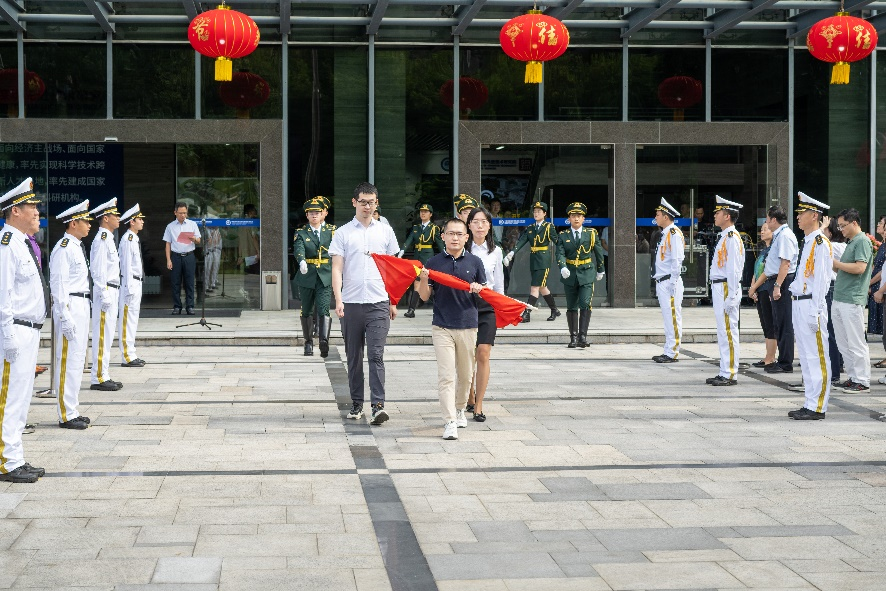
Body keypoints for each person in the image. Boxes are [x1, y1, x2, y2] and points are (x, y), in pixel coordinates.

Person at [329, 182, 400, 425]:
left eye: (371, 202)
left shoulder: (386, 232)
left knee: (376, 355)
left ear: (376, 203)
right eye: (363, 202)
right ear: (354, 202)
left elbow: (393, 269)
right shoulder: (343, 233)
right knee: (354, 356)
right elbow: (337, 269)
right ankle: (357, 403)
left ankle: (378, 406)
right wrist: (338, 299)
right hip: (351, 303)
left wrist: (393, 301)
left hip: (379, 302)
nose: (367, 206)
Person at [417, 218, 487, 440]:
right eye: (451, 234)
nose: (455, 238)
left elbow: (485, 294)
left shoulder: (475, 262)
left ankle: (459, 409)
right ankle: (449, 421)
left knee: (466, 376)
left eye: (459, 234)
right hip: (442, 326)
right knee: (446, 376)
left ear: (466, 237)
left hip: (468, 325)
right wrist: (423, 280)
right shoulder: (433, 262)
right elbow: (424, 296)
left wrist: (478, 288)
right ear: (443, 237)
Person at [0, 177, 46, 482]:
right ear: (15, 210)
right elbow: (2, 293)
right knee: (10, 397)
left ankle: (15, 456)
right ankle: (6, 461)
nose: (36, 212)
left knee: (22, 397)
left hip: (30, 329)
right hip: (15, 329)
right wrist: (7, 335)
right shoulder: (7, 243)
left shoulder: (22, 243)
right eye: (31, 206)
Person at [788, 192, 833, 420]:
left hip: (811, 304)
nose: (798, 217)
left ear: (814, 215)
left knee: (817, 355)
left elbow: (822, 281)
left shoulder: (820, 243)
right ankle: (810, 402)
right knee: (806, 356)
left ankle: (818, 406)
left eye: (802, 213)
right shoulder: (808, 241)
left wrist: (815, 312)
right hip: (799, 302)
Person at [49, 200, 93, 430]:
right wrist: (64, 316)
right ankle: (65, 413)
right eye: (86, 221)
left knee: (76, 360)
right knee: (67, 359)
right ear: (73, 223)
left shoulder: (76, 246)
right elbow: (58, 285)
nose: (89, 225)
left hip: (82, 303)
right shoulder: (64, 248)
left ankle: (72, 409)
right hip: (71, 305)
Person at [465, 207, 504, 422]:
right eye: (475, 221)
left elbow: (499, 283)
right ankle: (469, 395)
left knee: (483, 352)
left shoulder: (495, 251)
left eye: (484, 222)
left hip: (488, 304)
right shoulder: (462, 249)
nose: (480, 226)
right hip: (465, 304)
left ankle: (478, 404)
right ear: (469, 225)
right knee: (468, 354)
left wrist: (501, 305)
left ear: (489, 226)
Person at [831, 207, 874, 394]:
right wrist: (833, 264)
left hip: (852, 298)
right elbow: (843, 269)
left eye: (843, 225)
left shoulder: (862, 241)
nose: (840, 229)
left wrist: (836, 263)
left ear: (854, 223)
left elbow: (859, 268)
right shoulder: (851, 242)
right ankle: (853, 377)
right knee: (843, 342)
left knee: (855, 342)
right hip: (841, 296)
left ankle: (862, 381)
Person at [706, 196, 745, 386]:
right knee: (723, 331)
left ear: (727, 216)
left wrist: (732, 295)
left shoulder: (732, 238)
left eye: (718, 212)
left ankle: (729, 373)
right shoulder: (724, 236)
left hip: (725, 286)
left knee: (728, 331)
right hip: (720, 286)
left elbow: (734, 269)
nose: (715, 215)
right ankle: (724, 370)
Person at [754, 206, 799, 374]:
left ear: (773, 219)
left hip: (783, 281)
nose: (766, 222)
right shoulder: (779, 235)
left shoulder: (785, 236)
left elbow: (785, 263)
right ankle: (782, 360)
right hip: (777, 279)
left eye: (767, 219)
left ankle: (785, 363)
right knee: (778, 322)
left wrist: (778, 286)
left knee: (784, 323)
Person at [556, 202, 605, 348]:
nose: (576, 218)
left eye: (579, 216)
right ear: (569, 219)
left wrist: (601, 269)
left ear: (583, 219)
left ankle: (582, 336)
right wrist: (562, 267)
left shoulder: (591, 233)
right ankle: (573, 337)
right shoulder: (563, 235)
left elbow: (598, 252)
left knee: (585, 303)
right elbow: (560, 253)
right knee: (571, 306)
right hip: (570, 273)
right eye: (573, 216)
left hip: (586, 272)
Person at [503, 200, 561, 322]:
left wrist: (564, 255)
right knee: (542, 287)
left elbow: (558, 242)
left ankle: (527, 313)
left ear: (544, 213)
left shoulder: (548, 227)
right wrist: (512, 253)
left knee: (534, 287)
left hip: (543, 260)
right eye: (535, 211)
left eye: (539, 211)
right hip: (534, 260)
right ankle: (554, 309)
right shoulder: (531, 228)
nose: (536, 213)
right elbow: (522, 241)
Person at [89, 198, 123, 392]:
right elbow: (98, 269)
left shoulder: (108, 238)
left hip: (112, 288)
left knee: (108, 334)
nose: (118, 218)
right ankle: (99, 377)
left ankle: (104, 373)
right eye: (115, 215)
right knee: (102, 334)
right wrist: (103, 293)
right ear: (105, 218)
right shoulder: (102, 239)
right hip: (106, 290)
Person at [294, 197, 335, 357]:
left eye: (317, 212)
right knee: (306, 310)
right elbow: (299, 248)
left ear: (323, 214)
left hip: (325, 275)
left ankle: (324, 340)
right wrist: (302, 261)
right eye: (311, 213)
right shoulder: (301, 232)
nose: (314, 215)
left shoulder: (332, 231)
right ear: (307, 215)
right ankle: (308, 342)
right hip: (307, 276)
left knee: (324, 308)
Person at [650, 198, 685, 363]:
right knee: (668, 318)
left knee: (673, 317)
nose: (655, 217)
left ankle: (672, 352)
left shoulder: (674, 234)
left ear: (666, 216)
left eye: (658, 215)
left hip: (670, 281)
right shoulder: (665, 234)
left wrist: (673, 282)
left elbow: (677, 260)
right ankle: (668, 350)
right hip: (662, 281)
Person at [399, 203, 444, 318]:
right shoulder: (416, 228)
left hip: (428, 258)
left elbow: (439, 243)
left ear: (430, 214)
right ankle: (412, 310)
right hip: (417, 258)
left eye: (426, 212)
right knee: (418, 283)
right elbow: (409, 240)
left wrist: (446, 255)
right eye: (421, 211)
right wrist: (401, 252)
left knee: (426, 283)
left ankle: (440, 307)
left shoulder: (434, 228)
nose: (423, 213)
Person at [118, 204, 146, 368]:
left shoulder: (133, 238)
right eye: (139, 219)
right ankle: (126, 355)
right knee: (127, 320)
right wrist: (128, 288)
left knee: (133, 319)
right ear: (132, 222)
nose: (142, 222)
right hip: (131, 283)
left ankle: (131, 352)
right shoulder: (128, 239)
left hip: (136, 281)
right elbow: (126, 265)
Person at [163, 201, 201, 315]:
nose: (183, 215)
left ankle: (190, 306)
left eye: (185, 213)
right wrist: (168, 260)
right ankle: (177, 306)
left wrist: (194, 239)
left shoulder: (192, 224)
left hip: (189, 256)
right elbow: (167, 244)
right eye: (180, 213)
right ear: (175, 212)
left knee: (189, 282)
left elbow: (199, 240)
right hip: (176, 256)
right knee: (175, 282)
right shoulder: (170, 226)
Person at [749, 222, 777, 369]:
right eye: (761, 229)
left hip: (767, 289)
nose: (762, 232)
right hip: (759, 289)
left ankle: (771, 357)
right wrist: (753, 286)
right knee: (765, 324)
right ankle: (768, 355)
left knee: (770, 324)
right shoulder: (763, 250)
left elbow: (767, 272)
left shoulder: (773, 249)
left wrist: (754, 287)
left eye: (766, 229)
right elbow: (756, 270)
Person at [823, 216, 846, 385]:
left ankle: (833, 373)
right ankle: (837, 366)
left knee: (830, 332)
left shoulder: (833, 246)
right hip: (834, 287)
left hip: (830, 287)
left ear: (829, 232)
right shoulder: (841, 245)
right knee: (834, 331)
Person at [867, 215, 886, 338]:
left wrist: (869, 283)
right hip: (875, 286)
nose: (878, 225)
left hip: (880, 286)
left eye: (881, 223)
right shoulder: (882, 245)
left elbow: (883, 271)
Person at [239, 204, 260, 275]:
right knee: (256, 272)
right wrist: (258, 252)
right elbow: (254, 238)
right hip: (253, 251)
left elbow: (240, 239)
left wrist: (240, 255)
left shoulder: (241, 223)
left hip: (245, 252)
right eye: (254, 210)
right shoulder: (251, 222)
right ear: (250, 212)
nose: (256, 211)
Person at [204, 223, 223, 293]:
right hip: (208, 251)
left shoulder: (217, 230)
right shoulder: (207, 229)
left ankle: (212, 283)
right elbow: (209, 241)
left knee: (213, 268)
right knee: (207, 270)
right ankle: (206, 286)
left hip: (215, 250)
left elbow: (218, 240)